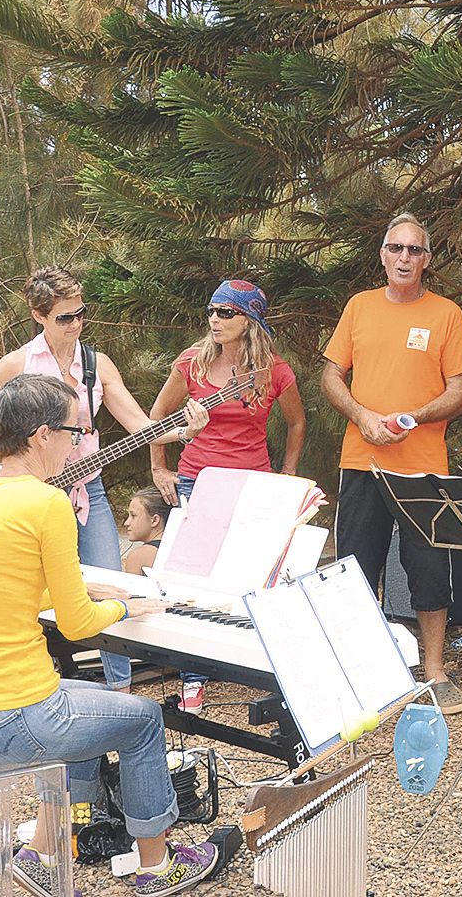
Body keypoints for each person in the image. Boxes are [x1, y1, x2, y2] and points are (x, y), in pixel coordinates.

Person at [0, 375, 219, 897]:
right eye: (76, 431)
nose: (81, 443)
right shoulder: (47, 503)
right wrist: (125, 603)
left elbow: (1, 591)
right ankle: (158, 865)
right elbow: (79, 624)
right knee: (145, 720)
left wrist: (88, 590)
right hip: (10, 717)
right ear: (43, 436)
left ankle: (45, 850)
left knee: (95, 703)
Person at [0, 266, 205, 692]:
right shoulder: (17, 364)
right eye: (65, 317)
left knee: (110, 582)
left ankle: (118, 690)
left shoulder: (96, 363)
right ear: (38, 315)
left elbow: (140, 425)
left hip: (90, 489)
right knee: (34, 588)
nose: (76, 324)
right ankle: (46, 682)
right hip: (29, 495)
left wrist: (183, 430)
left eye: (81, 314)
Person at [320, 214, 462, 715]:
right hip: (361, 460)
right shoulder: (359, 307)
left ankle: (432, 670)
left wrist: (414, 417)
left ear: (427, 260)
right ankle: (361, 672)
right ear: (383, 255)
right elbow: (331, 376)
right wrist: (363, 416)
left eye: (415, 250)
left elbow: (461, 392)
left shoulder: (446, 314)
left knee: (429, 569)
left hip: (422, 465)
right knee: (355, 570)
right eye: (396, 248)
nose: (405, 257)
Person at [148, 278, 305, 712]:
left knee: (255, 578)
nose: (215, 320)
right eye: (212, 311)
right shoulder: (192, 363)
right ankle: (193, 678)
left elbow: (296, 422)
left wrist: (289, 473)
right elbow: (157, 417)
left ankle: (257, 669)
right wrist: (158, 467)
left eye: (226, 312)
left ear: (250, 320)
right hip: (198, 478)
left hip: (254, 482)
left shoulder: (274, 370)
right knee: (194, 579)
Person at [123, 486, 172, 577]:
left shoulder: (138, 556)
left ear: (154, 520)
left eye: (133, 516)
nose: (126, 523)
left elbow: (129, 591)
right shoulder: (179, 551)